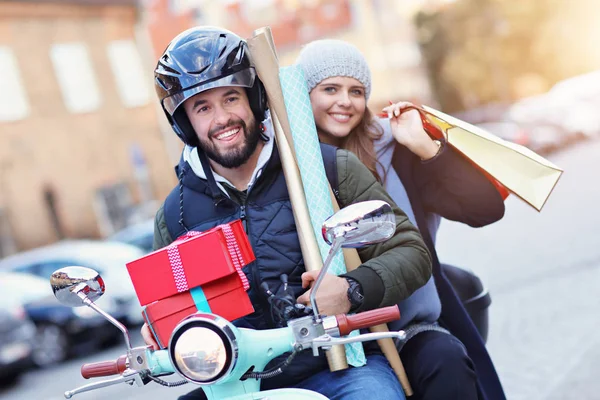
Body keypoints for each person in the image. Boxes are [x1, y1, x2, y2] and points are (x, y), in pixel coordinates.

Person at [142, 26, 433, 400]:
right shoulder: (174, 215)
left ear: (254, 98)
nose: (221, 119)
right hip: (239, 384)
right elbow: (171, 312)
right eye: (203, 107)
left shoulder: (326, 169)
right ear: (184, 124)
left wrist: (351, 289)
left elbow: (411, 251)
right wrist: (161, 330)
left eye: (231, 98)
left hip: (338, 367)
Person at [296, 39, 507, 400]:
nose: (345, 101)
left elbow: (484, 207)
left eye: (356, 90)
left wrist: (424, 146)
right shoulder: (284, 166)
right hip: (326, 340)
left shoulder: (394, 152)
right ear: (302, 96)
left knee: (447, 362)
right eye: (330, 88)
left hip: (408, 326)